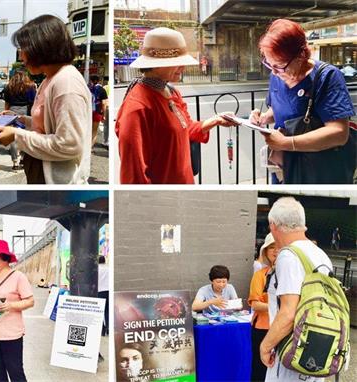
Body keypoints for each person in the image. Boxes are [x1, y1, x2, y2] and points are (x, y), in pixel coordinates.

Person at [115, 27, 237, 184]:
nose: (183, 67)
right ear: (156, 64)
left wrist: (216, 120)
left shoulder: (171, 92)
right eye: (177, 62)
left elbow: (186, 129)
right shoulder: (137, 108)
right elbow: (134, 175)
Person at [249, 19, 355, 184]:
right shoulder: (277, 75)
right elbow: (282, 108)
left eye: (280, 66)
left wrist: (286, 143)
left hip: (320, 172)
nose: (274, 72)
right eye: (269, 64)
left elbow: (339, 133)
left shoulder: (327, 77)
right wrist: (262, 118)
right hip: (284, 168)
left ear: (301, 56)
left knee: (315, 209)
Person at [0, 15, 92, 184]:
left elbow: (69, 144)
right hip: (41, 170)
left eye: (24, 48)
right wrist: (21, 120)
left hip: (58, 181)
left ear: (41, 48)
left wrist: (17, 136)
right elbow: (48, 126)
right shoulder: (50, 79)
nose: (21, 55)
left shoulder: (66, 82)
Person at [260, 197, 333, 381]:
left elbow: (288, 312)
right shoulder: (321, 254)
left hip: (291, 351)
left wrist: (266, 346)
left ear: (273, 226)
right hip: (318, 350)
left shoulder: (289, 255)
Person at [0, 240, 34, 382]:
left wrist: (11, 305)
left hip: (11, 334)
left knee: (15, 371)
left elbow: (30, 301)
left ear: (5, 257)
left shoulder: (18, 277)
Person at [248, 233, 278, 382]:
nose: (275, 250)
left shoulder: (292, 275)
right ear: (265, 252)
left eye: (279, 247)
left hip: (284, 329)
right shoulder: (260, 275)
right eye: (271, 247)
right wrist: (278, 307)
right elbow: (254, 303)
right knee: (260, 370)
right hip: (262, 328)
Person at [2, 72, 37, 171]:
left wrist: (6, 114)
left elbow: (7, 102)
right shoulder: (30, 86)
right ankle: (22, 159)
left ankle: (15, 162)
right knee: (25, 136)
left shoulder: (9, 87)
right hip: (26, 110)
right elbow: (33, 101)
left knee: (13, 137)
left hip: (12, 110)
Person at [90, 75, 108, 147]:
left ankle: (85, 145)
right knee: (94, 131)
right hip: (97, 112)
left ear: (91, 80)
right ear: (99, 80)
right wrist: (104, 115)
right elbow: (104, 103)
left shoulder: (88, 88)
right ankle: (90, 148)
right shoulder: (102, 89)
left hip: (88, 112)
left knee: (88, 130)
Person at [98, 255, 109, 336]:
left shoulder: (96, 269)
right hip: (108, 291)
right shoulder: (109, 269)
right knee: (107, 310)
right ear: (104, 261)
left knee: (100, 311)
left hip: (99, 291)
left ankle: (102, 330)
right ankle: (109, 328)